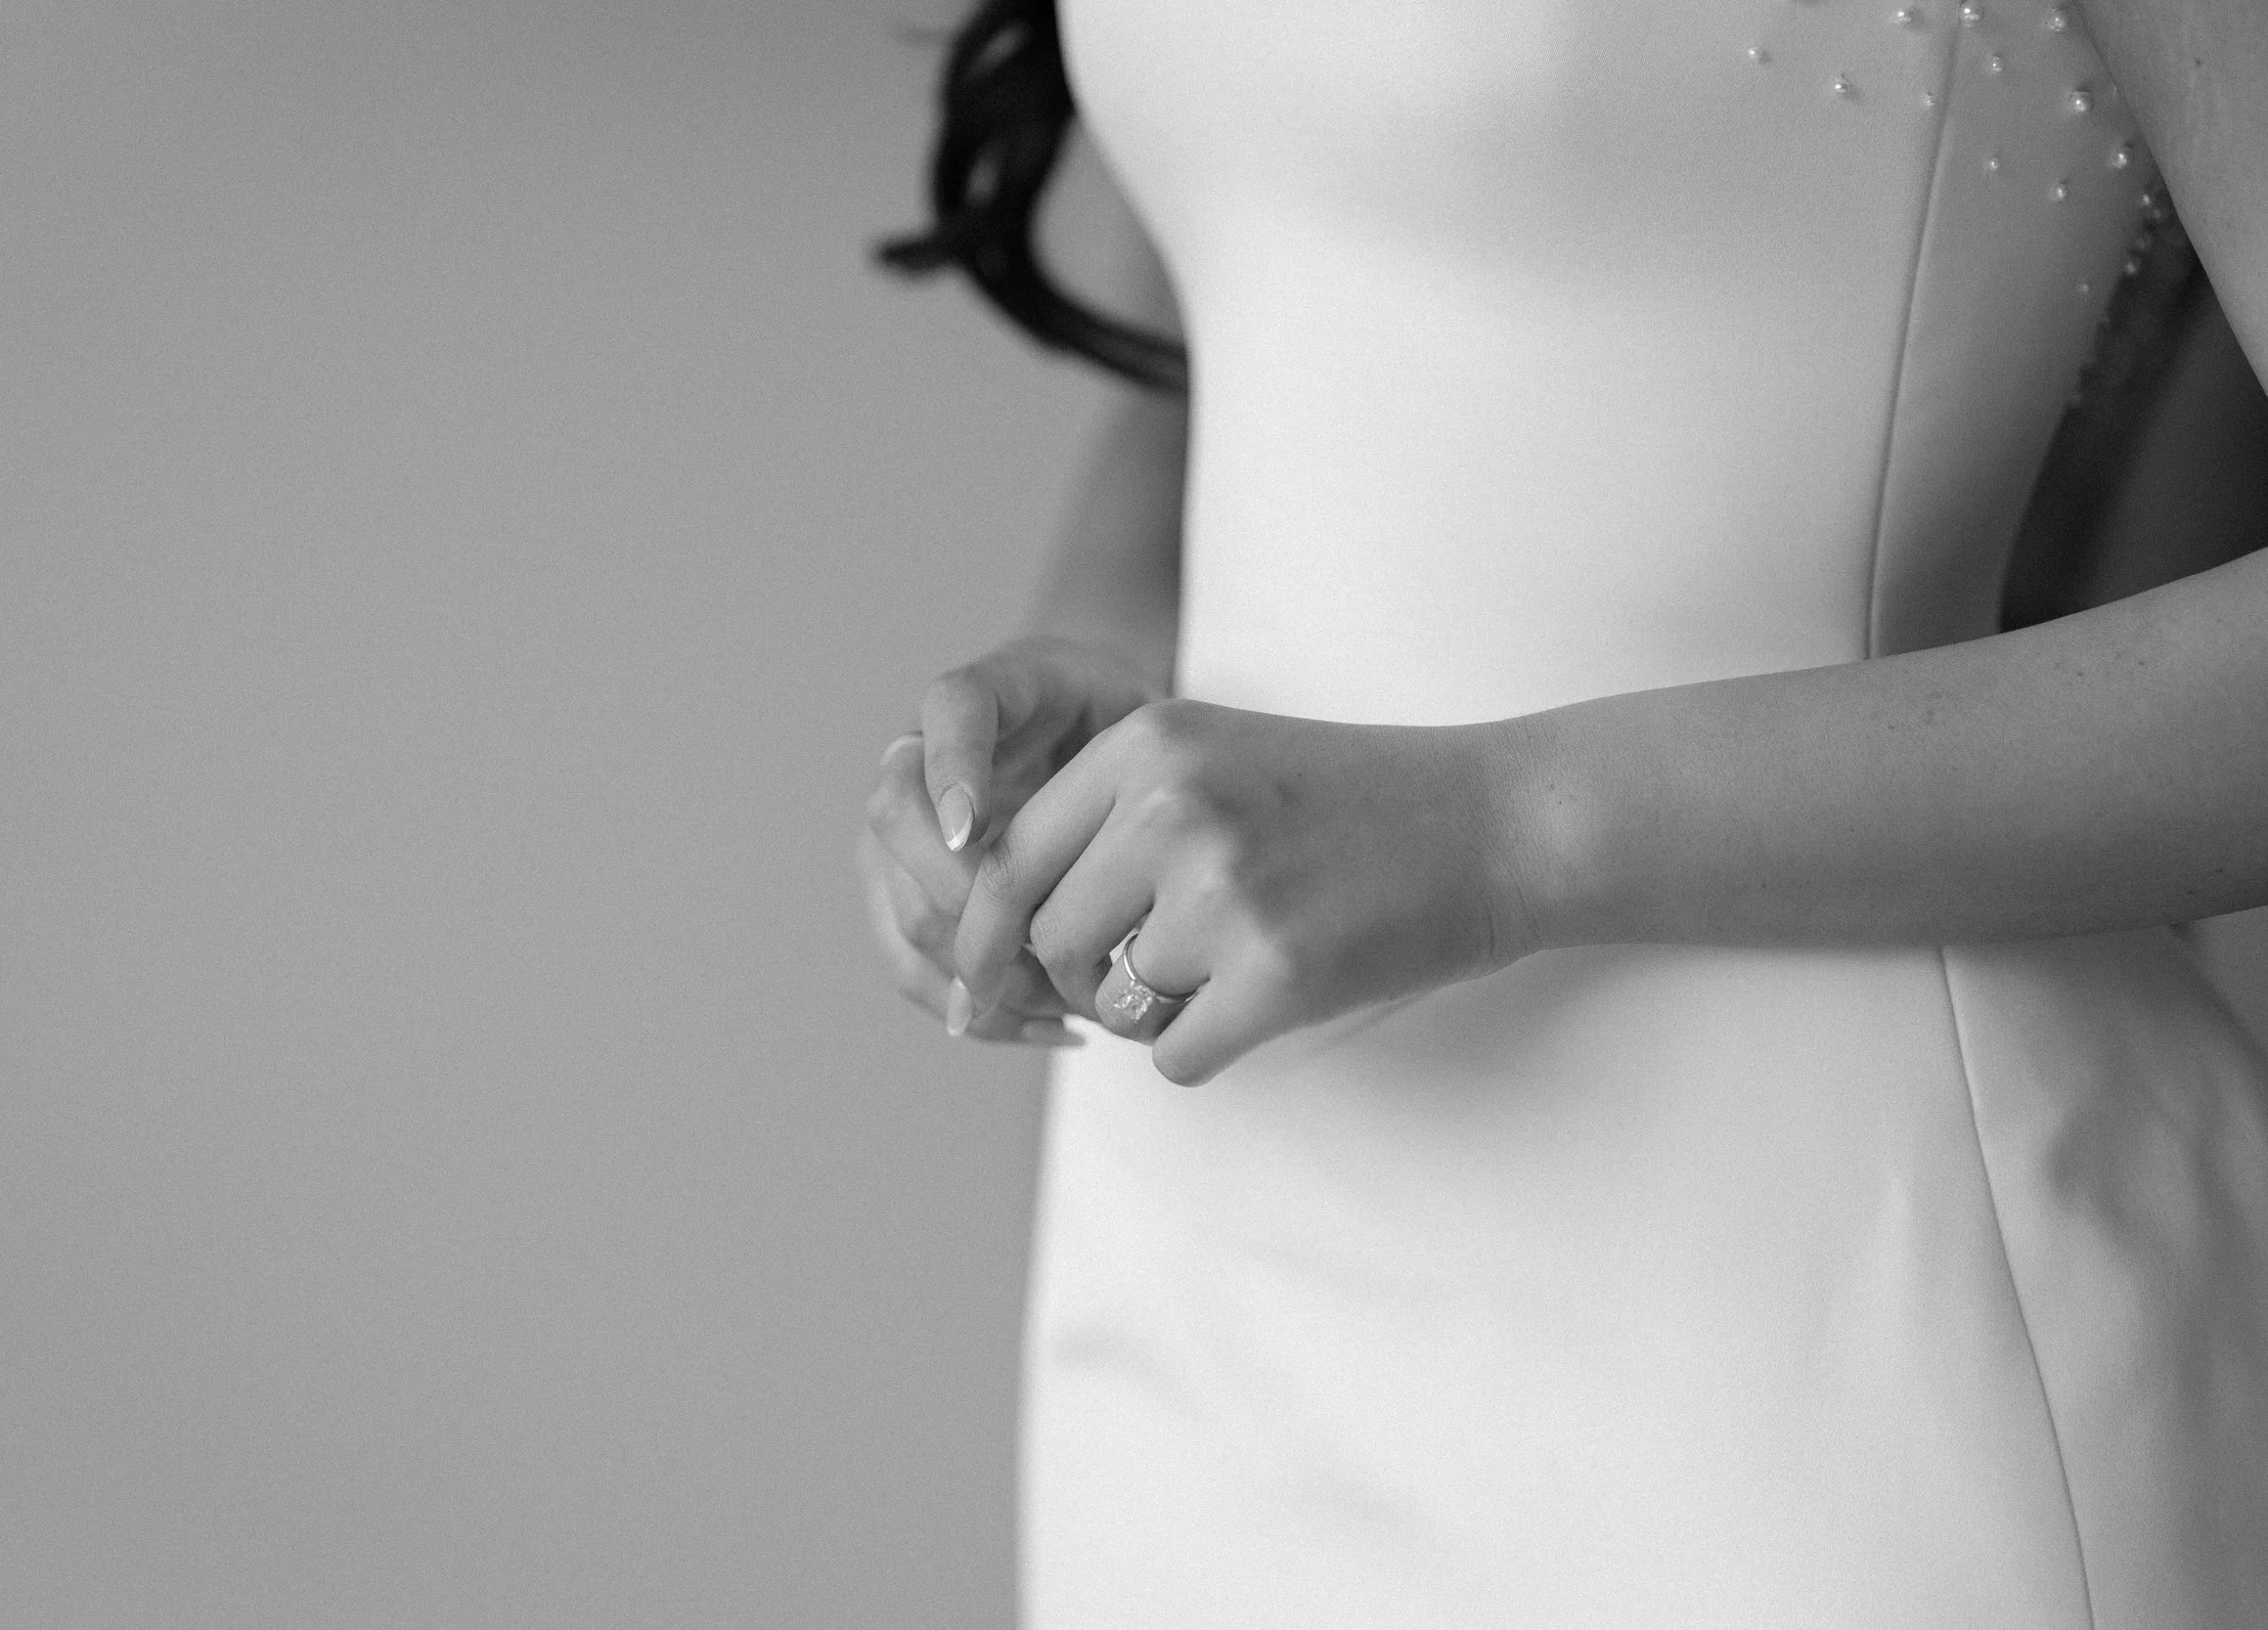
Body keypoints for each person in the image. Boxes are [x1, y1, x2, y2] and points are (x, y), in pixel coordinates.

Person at [859, 1, 2268, 1622]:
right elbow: (1265, 264)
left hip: (1815, 1289)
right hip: (1206, 1246)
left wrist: (1505, 826)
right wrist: (1086, 713)